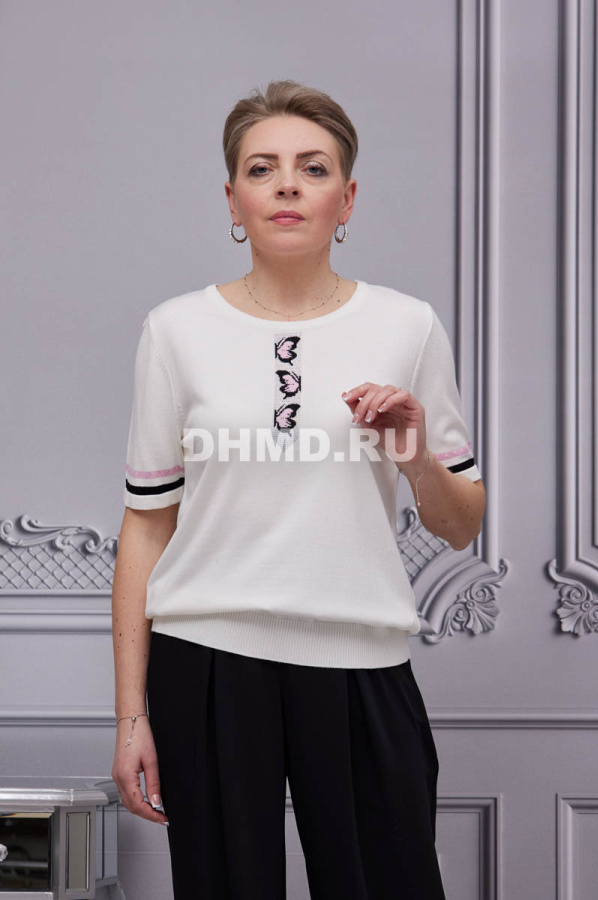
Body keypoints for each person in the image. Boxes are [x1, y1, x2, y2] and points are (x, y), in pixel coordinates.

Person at [111, 79, 486, 900]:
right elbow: (146, 526)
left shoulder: (408, 325)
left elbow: (461, 524)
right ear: (233, 200)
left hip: (362, 660)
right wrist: (131, 716)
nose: (287, 185)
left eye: (313, 168)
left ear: (346, 199)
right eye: (262, 168)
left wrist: (416, 457)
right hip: (207, 664)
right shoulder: (174, 330)